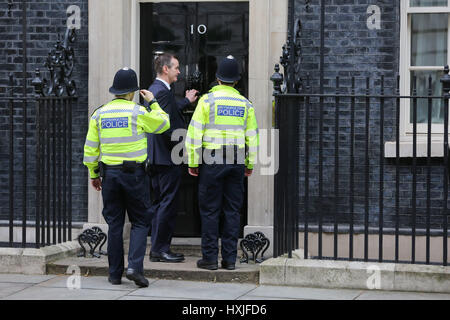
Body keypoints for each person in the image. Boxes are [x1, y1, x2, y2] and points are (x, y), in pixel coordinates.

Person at [83, 67, 170, 287]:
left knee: (114, 224)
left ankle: (114, 274)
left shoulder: (100, 113)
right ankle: (134, 268)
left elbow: (90, 150)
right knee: (140, 221)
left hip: (109, 175)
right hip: (134, 175)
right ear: (132, 91)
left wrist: (94, 174)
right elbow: (163, 123)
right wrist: (152, 101)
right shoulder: (138, 112)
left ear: (115, 91)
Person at [185, 56, 259, 270]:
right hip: (236, 161)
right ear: (236, 81)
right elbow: (252, 137)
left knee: (210, 210)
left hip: (212, 160)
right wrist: (250, 163)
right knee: (232, 210)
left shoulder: (206, 101)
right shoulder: (245, 104)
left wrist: (193, 161)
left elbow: (194, 133)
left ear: (217, 79)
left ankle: (209, 258)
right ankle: (229, 260)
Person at [147, 53, 198, 263]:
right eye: (176, 67)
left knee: (161, 203)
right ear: (165, 69)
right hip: (167, 158)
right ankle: (160, 249)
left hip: (157, 157)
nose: (179, 71)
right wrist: (184, 143)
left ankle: (158, 249)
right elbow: (165, 127)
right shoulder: (162, 92)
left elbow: (166, 114)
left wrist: (185, 101)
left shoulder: (156, 90)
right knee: (167, 204)